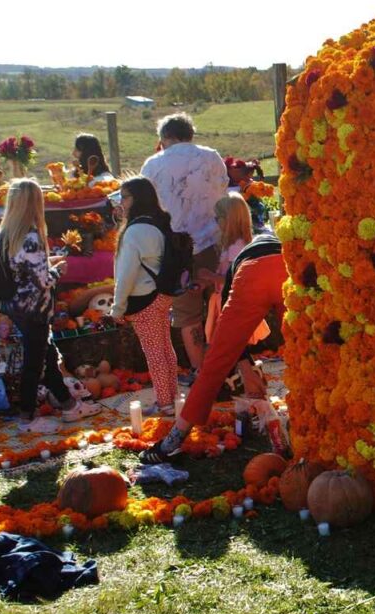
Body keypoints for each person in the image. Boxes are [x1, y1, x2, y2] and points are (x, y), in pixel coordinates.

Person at [140, 232, 286, 464]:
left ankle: (171, 442)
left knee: (213, 366)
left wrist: (246, 371)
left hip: (251, 274)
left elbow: (231, 343)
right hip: (285, 268)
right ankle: (314, 422)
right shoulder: (273, 244)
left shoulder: (236, 268)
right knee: (304, 350)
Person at [0, 179, 101, 426]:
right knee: (35, 364)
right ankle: (27, 416)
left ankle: (70, 405)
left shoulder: (4, 235)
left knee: (48, 359)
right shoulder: (31, 236)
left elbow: (22, 269)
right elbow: (42, 281)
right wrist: (59, 270)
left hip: (14, 306)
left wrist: (48, 262)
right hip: (34, 309)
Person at [140, 113, 229, 380]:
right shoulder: (212, 156)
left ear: (164, 138)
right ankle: (227, 363)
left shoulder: (153, 164)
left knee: (187, 313)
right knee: (220, 304)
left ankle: (201, 372)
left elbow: (148, 208)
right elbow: (223, 194)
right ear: (190, 133)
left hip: (176, 249)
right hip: (212, 242)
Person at [109, 176, 177, 417]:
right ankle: (172, 397)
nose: (121, 202)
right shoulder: (159, 223)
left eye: (123, 197)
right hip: (162, 295)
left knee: (154, 353)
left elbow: (126, 274)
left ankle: (165, 403)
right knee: (165, 348)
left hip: (143, 298)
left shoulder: (135, 231)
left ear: (135, 199)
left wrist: (117, 308)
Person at [204, 192, 269, 346]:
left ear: (228, 220)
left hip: (233, 302)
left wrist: (210, 276)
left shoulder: (236, 247)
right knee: (235, 345)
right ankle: (249, 369)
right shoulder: (235, 244)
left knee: (233, 344)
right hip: (229, 301)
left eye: (217, 218)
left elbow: (235, 280)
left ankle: (247, 370)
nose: (216, 223)